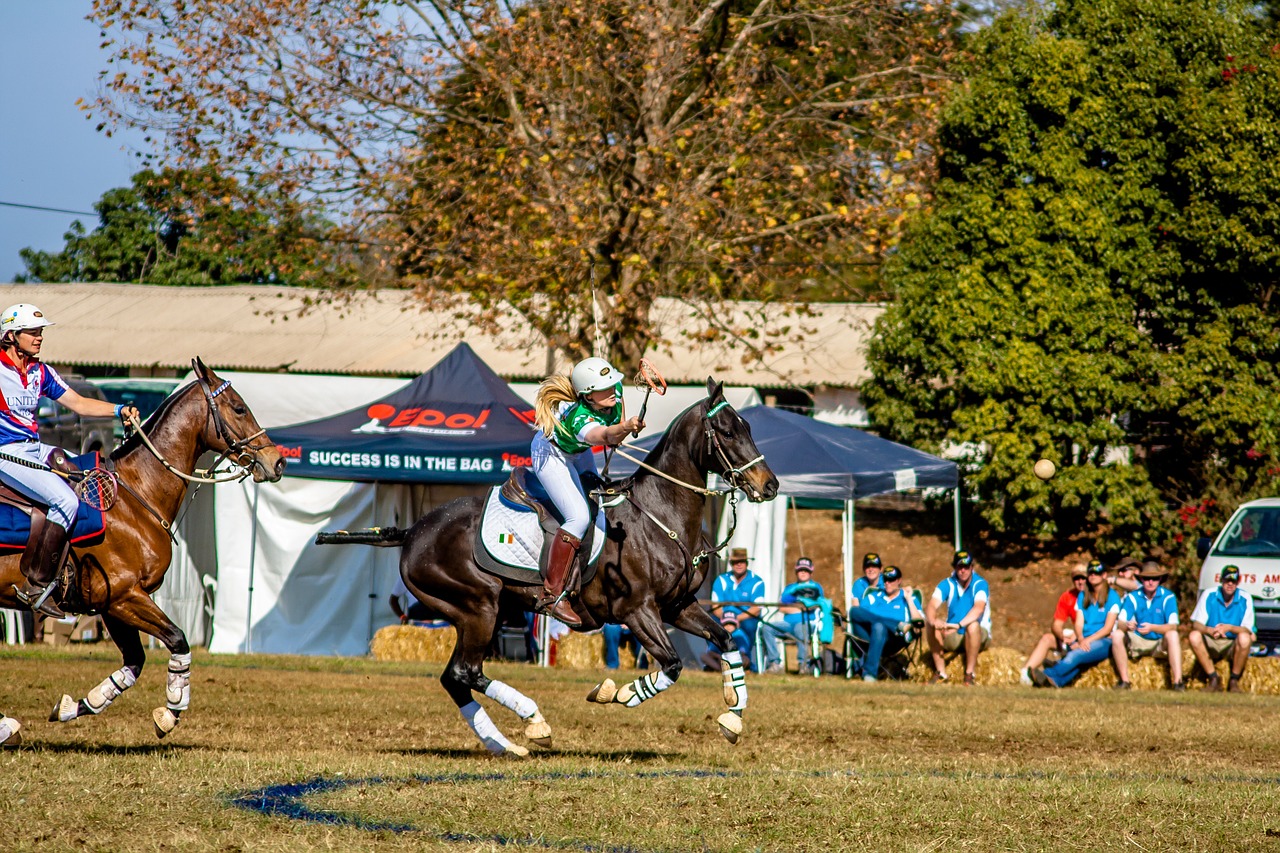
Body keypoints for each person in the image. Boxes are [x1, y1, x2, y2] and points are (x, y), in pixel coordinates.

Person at [0, 304, 138, 618]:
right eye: (33, 332)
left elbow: (77, 403)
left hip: (34, 448)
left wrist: (119, 410)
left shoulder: (40, 372)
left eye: (40, 332)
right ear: (11, 335)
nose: (39, 338)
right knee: (66, 501)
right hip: (7, 455)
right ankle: (38, 584)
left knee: (92, 472)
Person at [531, 357, 643, 628]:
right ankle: (553, 594)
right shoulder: (580, 419)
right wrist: (625, 428)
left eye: (614, 382)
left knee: (599, 496)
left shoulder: (612, 397)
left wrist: (623, 429)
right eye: (605, 387)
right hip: (551, 453)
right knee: (578, 518)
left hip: (576, 452)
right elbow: (603, 436)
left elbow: (613, 428)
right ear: (588, 395)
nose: (614, 389)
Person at [1029, 560, 1121, 688]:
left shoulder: (1112, 597)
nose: (1093, 575)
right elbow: (1079, 623)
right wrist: (1081, 638)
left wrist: (1085, 641)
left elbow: (1107, 629)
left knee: (1076, 655)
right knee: (1080, 662)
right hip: (1084, 638)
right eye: (1091, 573)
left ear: (1104, 575)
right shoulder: (1083, 596)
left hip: (1103, 641)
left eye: (1097, 573)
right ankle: (1055, 682)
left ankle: (1049, 672)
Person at [1111, 560, 1183, 690]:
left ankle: (1178, 682)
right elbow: (1120, 623)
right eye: (1147, 578)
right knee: (1117, 635)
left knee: (1173, 635)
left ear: (1160, 579)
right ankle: (1124, 681)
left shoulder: (1168, 597)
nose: (1151, 582)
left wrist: (1152, 627)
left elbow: (1173, 626)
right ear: (1142, 579)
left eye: (1154, 579)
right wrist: (1128, 625)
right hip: (1137, 640)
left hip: (1159, 642)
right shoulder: (1133, 597)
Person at [924, 550, 991, 685]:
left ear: (972, 567)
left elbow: (978, 609)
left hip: (976, 633)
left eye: (966, 567)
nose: (963, 571)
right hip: (954, 634)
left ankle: (969, 674)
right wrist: (933, 620)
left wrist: (958, 625)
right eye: (959, 567)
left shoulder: (980, 584)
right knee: (930, 623)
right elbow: (931, 606)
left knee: (973, 626)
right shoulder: (947, 584)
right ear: (954, 568)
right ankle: (941, 673)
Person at [1188, 564, 1256, 692]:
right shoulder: (1209, 594)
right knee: (1194, 636)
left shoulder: (1245, 598)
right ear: (1221, 581)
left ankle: (1234, 680)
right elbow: (1196, 624)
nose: (1230, 584)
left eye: (1233, 581)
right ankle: (1213, 678)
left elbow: (1247, 629)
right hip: (1211, 639)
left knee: (1245, 638)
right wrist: (1209, 630)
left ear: (1238, 582)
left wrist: (1229, 628)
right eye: (1227, 580)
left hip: (1232, 643)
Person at [1018, 565, 1089, 685]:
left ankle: (1055, 670)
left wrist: (1078, 637)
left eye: (1083, 578)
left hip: (1090, 637)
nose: (1080, 581)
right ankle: (1026, 675)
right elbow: (1056, 624)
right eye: (1077, 579)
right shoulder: (1067, 597)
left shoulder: (1096, 597)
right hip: (1074, 637)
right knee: (1047, 638)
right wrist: (1061, 636)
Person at [854, 566, 925, 682]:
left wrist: (909, 599)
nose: (887, 583)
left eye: (891, 580)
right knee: (875, 624)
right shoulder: (873, 597)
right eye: (885, 579)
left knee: (878, 625)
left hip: (896, 639)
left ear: (899, 581)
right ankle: (895, 624)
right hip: (872, 636)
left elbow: (919, 621)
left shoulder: (908, 598)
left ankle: (869, 675)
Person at [758, 557, 826, 673]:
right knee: (767, 628)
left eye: (806, 570)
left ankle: (803, 664)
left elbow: (815, 606)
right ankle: (774, 663)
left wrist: (794, 607)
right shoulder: (790, 588)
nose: (803, 572)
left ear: (811, 572)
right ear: (796, 571)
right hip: (788, 624)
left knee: (800, 627)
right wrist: (799, 608)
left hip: (808, 624)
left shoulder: (815, 587)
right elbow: (780, 606)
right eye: (800, 570)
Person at [706, 547, 767, 670]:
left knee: (748, 627)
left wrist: (736, 619)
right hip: (723, 618)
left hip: (746, 619)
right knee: (709, 625)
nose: (738, 565)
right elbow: (715, 606)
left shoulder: (757, 581)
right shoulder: (721, 580)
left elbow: (756, 608)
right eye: (735, 562)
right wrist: (727, 620)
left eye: (742, 561)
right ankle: (716, 660)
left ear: (747, 563)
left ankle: (743, 660)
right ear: (731, 563)